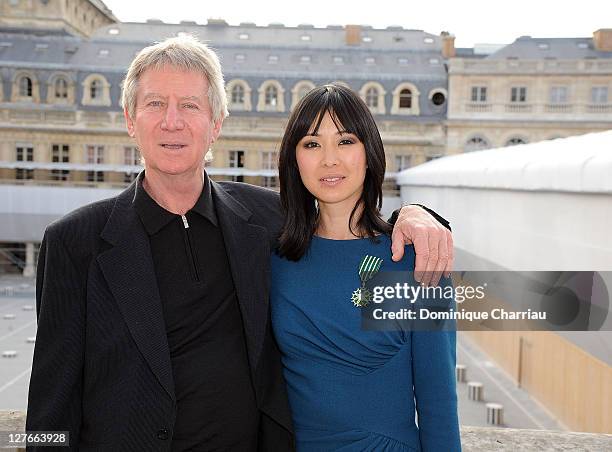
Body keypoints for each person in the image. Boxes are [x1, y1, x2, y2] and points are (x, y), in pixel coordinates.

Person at [26, 36, 453, 451]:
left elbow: (343, 217)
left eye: (190, 105)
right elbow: (48, 415)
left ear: (216, 125)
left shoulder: (266, 224)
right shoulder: (72, 244)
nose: (171, 121)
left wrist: (416, 214)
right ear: (129, 119)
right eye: (155, 103)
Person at [270, 83, 461, 451]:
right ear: (294, 160)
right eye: (312, 144)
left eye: (345, 141)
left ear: (369, 152)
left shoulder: (413, 261)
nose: (329, 159)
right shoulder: (274, 258)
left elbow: (439, 404)